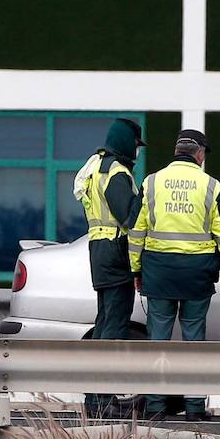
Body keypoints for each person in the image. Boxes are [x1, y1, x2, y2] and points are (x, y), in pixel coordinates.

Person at [128, 129, 220, 422]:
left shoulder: (152, 182)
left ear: (177, 151)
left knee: (158, 341)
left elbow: (136, 231)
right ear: (200, 154)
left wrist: (136, 269)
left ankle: (155, 408)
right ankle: (193, 408)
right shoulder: (210, 186)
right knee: (194, 341)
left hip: (159, 273)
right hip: (196, 275)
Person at [73, 117, 145, 418]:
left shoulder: (95, 167)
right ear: (128, 144)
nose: (138, 153)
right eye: (136, 146)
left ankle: (94, 398)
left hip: (99, 250)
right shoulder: (115, 173)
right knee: (114, 325)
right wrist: (144, 198)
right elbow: (128, 216)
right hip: (116, 251)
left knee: (104, 322)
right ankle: (101, 401)